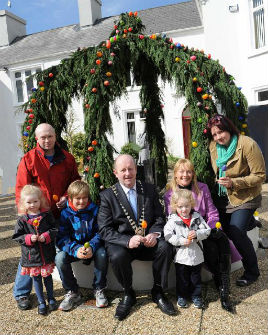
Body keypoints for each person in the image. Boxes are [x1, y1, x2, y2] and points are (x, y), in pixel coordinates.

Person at [98, 154, 176, 321]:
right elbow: (104, 229)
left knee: (165, 247)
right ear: (115, 173)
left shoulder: (149, 189)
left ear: (136, 170)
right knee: (117, 256)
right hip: (123, 244)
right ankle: (128, 293)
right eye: (123, 170)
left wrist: (154, 234)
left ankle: (158, 291)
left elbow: (159, 217)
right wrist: (127, 241)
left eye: (131, 169)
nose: (127, 173)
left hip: (148, 240)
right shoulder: (107, 196)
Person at [14, 123, 81, 310]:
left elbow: (75, 182)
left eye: (50, 136)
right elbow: (21, 190)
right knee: (30, 254)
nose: (47, 140)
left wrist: (67, 197)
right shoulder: (28, 160)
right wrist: (24, 218)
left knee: (61, 250)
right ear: (37, 139)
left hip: (60, 214)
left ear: (55, 136)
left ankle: (70, 289)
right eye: (43, 137)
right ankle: (21, 293)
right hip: (36, 217)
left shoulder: (67, 158)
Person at [164, 158, 240, 312]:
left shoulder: (202, 188)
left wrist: (209, 230)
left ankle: (223, 283)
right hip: (185, 235)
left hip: (204, 229)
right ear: (176, 175)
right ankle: (216, 279)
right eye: (181, 171)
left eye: (189, 171)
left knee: (221, 240)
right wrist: (188, 235)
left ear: (193, 174)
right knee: (210, 249)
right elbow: (171, 218)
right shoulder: (170, 194)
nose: (185, 175)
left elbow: (212, 212)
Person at [206, 114, 266, 287]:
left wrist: (235, 183)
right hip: (223, 196)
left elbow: (260, 176)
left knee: (237, 232)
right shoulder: (213, 146)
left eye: (221, 132)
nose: (218, 137)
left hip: (245, 196)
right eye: (214, 135)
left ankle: (252, 272)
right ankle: (249, 224)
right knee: (219, 231)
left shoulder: (247, 144)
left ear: (229, 128)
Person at [55, 180, 108, 311]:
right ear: (71, 199)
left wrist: (92, 246)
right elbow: (62, 238)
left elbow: (100, 232)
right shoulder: (65, 214)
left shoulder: (95, 210)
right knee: (60, 258)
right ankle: (72, 291)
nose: (81, 201)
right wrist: (75, 249)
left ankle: (99, 289)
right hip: (74, 249)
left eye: (84, 198)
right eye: (77, 198)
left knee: (102, 254)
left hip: (92, 247)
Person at [12, 185, 58, 315]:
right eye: (29, 202)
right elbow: (17, 236)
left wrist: (46, 236)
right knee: (36, 279)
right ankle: (41, 301)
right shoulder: (22, 220)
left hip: (46, 255)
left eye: (35, 201)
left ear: (40, 201)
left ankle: (51, 298)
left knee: (48, 278)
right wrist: (28, 238)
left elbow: (54, 229)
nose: (32, 204)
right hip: (32, 257)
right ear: (23, 203)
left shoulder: (46, 216)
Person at [164, 189, 211, 309]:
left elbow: (207, 231)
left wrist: (196, 234)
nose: (184, 209)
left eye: (187, 206)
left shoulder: (197, 217)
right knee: (182, 278)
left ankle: (196, 296)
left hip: (196, 255)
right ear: (175, 206)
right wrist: (180, 241)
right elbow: (168, 235)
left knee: (196, 278)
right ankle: (182, 296)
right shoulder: (173, 220)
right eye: (180, 207)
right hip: (181, 256)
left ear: (192, 204)